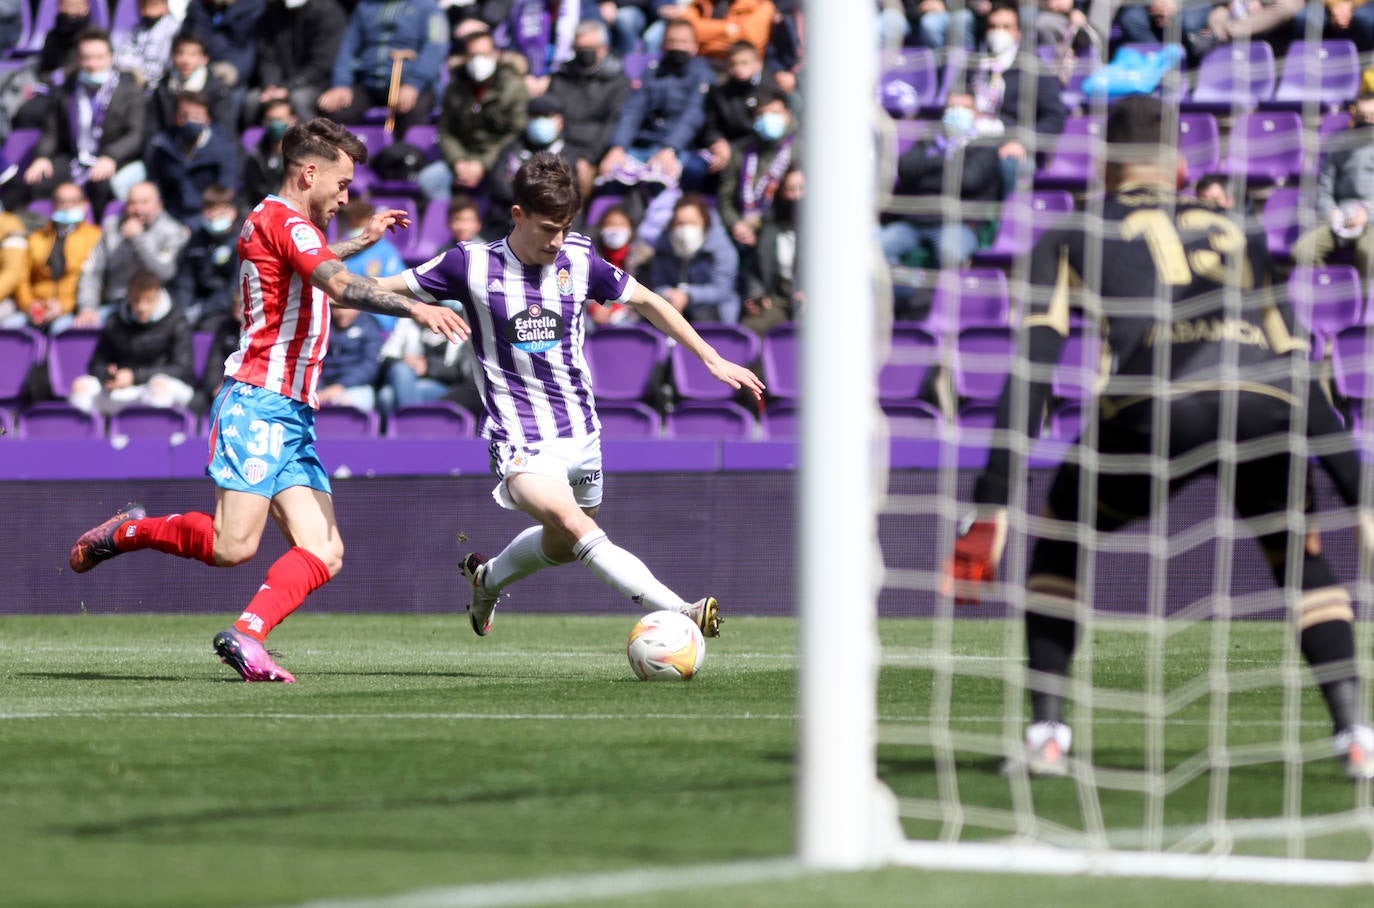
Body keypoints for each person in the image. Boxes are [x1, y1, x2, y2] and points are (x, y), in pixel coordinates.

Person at [946, 94, 1374, 780]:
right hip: (1265, 402)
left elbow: (1035, 370)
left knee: (1059, 531)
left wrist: (993, 499)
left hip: (1157, 403)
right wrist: (1360, 490)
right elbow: (1296, 363)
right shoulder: (1238, 228)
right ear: (1179, 164)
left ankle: (1047, 733)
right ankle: (1356, 735)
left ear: (1103, 161)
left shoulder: (1072, 230)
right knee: (1296, 548)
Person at [69, 117, 469, 683]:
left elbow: (312, 265)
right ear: (310, 173)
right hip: (258, 401)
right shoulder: (289, 223)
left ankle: (247, 634)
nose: (345, 195)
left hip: (292, 414)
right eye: (342, 184)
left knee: (325, 550)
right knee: (231, 547)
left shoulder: (275, 219)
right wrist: (416, 307)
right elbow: (334, 283)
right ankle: (125, 532)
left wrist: (362, 240)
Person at [373, 152, 764, 638]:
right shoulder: (468, 264)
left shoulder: (578, 259)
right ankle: (682, 610)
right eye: (546, 228)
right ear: (517, 215)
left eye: (565, 227)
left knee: (560, 546)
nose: (556, 241)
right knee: (576, 526)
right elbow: (368, 288)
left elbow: (646, 300)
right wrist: (407, 302)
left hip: (581, 434)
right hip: (519, 438)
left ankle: (486, 578)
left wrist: (710, 357)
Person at [6, 29, 147, 220]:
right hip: (75, 159)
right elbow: (52, 130)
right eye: (86, 57)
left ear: (111, 57)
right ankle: (45, 234)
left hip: (110, 159)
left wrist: (111, 157)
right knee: (40, 180)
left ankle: (97, 236)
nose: (92, 64)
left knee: (101, 185)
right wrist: (43, 157)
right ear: (78, 59)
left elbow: (135, 134)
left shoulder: (129, 92)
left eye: (99, 57)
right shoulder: (68, 88)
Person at [879, 92, 1001, 279]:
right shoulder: (930, 140)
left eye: (965, 109)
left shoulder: (985, 145)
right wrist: (946, 159)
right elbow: (905, 167)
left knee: (949, 254)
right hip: (914, 222)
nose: (958, 114)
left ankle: (935, 303)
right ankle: (906, 288)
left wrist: (929, 166)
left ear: (976, 113)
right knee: (876, 248)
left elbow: (968, 180)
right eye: (953, 108)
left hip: (957, 224)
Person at [598, 18, 714, 190]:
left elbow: (693, 115)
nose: (677, 47)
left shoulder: (702, 74)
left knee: (663, 184)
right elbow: (633, 110)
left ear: (694, 46)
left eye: (683, 42)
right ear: (662, 45)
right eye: (671, 41)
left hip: (680, 148)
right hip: (642, 146)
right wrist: (618, 146)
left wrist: (670, 148)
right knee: (609, 179)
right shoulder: (652, 70)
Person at [416, 28, 529, 202]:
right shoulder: (454, 88)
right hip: (463, 159)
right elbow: (445, 131)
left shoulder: (513, 87)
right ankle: (456, 222)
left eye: (484, 54)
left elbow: (515, 133)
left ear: (496, 54)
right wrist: (458, 161)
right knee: (429, 180)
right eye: (473, 55)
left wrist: (482, 163)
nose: (479, 60)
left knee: (508, 184)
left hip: (498, 160)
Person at [969, 1, 1068, 198]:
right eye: (993, 27)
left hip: (1014, 147)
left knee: (1010, 164)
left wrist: (1023, 142)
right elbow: (956, 102)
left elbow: (1054, 117)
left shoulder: (1033, 69)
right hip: (974, 141)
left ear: (1018, 33)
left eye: (1006, 27)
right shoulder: (973, 68)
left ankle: (1003, 226)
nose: (998, 33)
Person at [68, 269, 196, 416]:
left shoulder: (177, 321)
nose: (141, 307)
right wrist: (108, 374)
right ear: (129, 296)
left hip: (160, 386)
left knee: (159, 385)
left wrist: (135, 376)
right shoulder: (115, 321)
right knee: (81, 386)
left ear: (159, 296)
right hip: (121, 388)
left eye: (149, 300)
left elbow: (182, 369)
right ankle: (86, 437)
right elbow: (95, 365)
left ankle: (156, 437)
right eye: (136, 300)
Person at [317, 0, 447, 141]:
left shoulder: (428, 6)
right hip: (368, 83)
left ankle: (405, 157)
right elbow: (347, 49)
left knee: (411, 113)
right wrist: (341, 85)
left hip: (411, 85)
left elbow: (435, 48)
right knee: (334, 111)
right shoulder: (365, 6)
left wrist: (414, 84)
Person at [72, 181, 190, 331]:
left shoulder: (173, 232)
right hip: (114, 305)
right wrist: (87, 307)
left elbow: (165, 273)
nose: (138, 209)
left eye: (144, 202)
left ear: (159, 205)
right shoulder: (111, 227)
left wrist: (138, 240)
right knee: (65, 328)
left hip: (152, 308)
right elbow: (92, 271)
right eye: (132, 203)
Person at [1291, 85, 1374, 284]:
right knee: (1301, 251)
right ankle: (1330, 293)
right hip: (1341, 217)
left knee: (1368, 253)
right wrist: (1333, 213)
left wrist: (1367, 215)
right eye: (1363, 116)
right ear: (1355, 114)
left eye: (1372, 115)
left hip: (1370, 219)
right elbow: (1325, 188)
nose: (1368, 120)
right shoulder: (1341, 143)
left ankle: (1365, 308)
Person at [545, 19, 632, 201]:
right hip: (563, 147)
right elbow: (551, 114)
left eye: (590, 47)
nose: (584, 53)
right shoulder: (562, 76)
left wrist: (589, 158)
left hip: (595, 150)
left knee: (576, 180)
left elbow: (613, 123)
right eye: (579, 48)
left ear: (603, 48)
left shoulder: (618, 81)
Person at [4, 183, 102, 331]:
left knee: (61, 329)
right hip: (36, 308)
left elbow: (94, 279)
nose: (66, 206)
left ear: (85, 204)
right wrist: (29, 305)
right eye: (61, 201)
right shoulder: (37, 237)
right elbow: (22, 278)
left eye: (73, 202)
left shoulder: (95, 237)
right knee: (9, 328)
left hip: (71, 308)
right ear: (53, 205)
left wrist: (64, 306)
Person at [717, 85, 800, 257]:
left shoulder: (804, 149)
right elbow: (726, 197)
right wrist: (736, 224)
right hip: (746, 229)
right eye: (762, 114)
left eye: (775, 113)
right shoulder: (742, 151)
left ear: (788, 114)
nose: (768, 119)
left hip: (789, 228)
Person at [145, 90, 239, 226]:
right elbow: (156, 185)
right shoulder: (163, 147)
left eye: (196, 116)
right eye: (184, 116)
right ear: (176, 118)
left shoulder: (223, 150)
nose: (190, 121)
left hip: (207, 217)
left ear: (207, 119)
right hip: (171, 217)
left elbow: (225, 192)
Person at [645, 192, 740, 323]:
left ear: (705, 222)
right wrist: (669, 294)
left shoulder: (722, 248)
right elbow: (657, 283)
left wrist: (688, 295)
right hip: (671, 307)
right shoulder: (663, 246)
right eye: (680, 223)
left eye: (692, 223)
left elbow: (722, 289)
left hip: (714, 312)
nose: (685, 229)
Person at [251, 0, 347, 129]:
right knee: (252, 101)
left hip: (317, 84)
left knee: (299, 99)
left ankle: (311, 144)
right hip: (281, 85)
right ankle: (258, 149)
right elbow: (268, 57)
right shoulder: (272, 11)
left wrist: (288, 87)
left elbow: (323, 63)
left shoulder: (327, 10)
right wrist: (271, 86)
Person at [740, 162, 801, 337]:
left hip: (813, 297)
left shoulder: (826, 229)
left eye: (801, 188)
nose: (796, 195)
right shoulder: (770, 227)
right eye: (790, 189)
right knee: (752, 327)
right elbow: (756, 269)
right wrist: (757, 295)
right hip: (778, 296)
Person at [171, 184, 242, 327]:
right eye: (210, 209)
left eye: (219, 210)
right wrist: (183, 309)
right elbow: (185, 280)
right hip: (196, 303)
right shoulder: (197, 240)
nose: (214, 215)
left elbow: (235, 287)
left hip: (224, 309)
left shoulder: (241, 242)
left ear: (232, 212)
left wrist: (202, 309)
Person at [147, 30, 239, 141]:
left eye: (193, 54)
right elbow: (152, 131)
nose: (186, 60)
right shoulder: (163, 89)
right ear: (172, 56)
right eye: (180, 53)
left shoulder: (219, 92)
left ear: (205, 59)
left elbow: (224, 132)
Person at [334, 197, 405, 331]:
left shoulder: (386, 252)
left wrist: (358, 307)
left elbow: (396, 288)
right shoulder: (343, 249)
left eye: (359, 222)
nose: (354, 226)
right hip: (342, 315)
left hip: (377, 318)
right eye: (351, 221)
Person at [317, 305, 384, 411]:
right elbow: (313, 361)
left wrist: (341, 385)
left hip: (356, 387)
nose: (342, 313)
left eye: (346, 308)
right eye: (337, 308)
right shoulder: (320, 323)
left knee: (349, 405)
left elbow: (370, 365)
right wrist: (318, 389)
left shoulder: (369, 325)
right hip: (322, 387)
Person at [112, 0, 183, 92]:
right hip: (138, 86)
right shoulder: (136, 30)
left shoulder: (175, 29)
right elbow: (121, 57)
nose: (147, 10)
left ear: (166, 6)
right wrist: (136, 71)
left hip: (165, 86)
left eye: (154, 5)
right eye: (143, 5)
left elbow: (170, 63)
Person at [241, 99, 297, 208]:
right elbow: (247, 195)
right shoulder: (256, 155)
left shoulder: (301, 157)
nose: (275, 124)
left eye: (280, 119)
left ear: (293, 120)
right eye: (270, 120)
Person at [679, 0, 775, 61]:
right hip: (702, 64)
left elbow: (749, 42)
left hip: (741, 70)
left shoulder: (762, 5)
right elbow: (684, 30)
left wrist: (704, 43)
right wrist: (726, 29)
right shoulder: (700, 4)